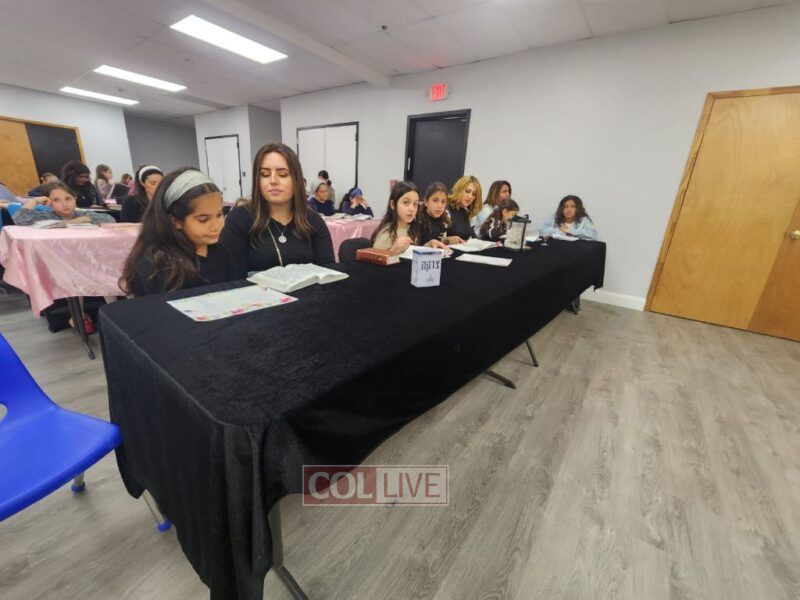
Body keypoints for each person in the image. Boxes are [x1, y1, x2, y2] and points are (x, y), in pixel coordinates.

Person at [220, 143, 335, 273]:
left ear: (296, 179)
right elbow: (228, 278)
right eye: (265, 174)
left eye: (283, 174)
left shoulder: (313, 221)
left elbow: (329, 273)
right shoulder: (239, 219)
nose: (273, 180)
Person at [120, 168, 235, 296]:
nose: (216, 226)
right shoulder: (159, 265)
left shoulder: (220, 252)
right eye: (203, 220)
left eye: (219, 215)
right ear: (175, 221)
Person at [371, 181, 448, 255]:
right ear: (393, 204)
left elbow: (412, 254)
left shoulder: (413, 228)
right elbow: (375, 261)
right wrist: (392, 251)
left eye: (415, 204)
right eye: (406, 202)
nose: (411, 209)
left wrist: (429, 245)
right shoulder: (386, 234)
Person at [11, 182, 115, 226]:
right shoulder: (46, 216)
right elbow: (19, 219)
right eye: (57, 200)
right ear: (50, 203)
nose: (64, 204)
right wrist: (36, 200)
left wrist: (86, 219)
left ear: (75, 199)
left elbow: (110, 220)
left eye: (68, 199)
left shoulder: (83, 214)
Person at [447, 175, 483, 240]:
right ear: (459, 189)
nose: (470, 196)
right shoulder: (445, 208)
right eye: (467, 191)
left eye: (474, 194)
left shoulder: (466, 213)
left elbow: (473, 236)